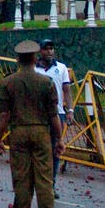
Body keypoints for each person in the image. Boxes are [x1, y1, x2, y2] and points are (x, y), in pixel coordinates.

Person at [0, 39, 63, 208]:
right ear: (35, 59)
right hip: (41, 133)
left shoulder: (8, 82)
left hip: (18, 133)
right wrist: (60, 138)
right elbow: (53, 115)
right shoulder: (46, 82)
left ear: (17, 60)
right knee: (45, 181)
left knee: (22, 179)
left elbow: (4, 115)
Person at [33, 39, 72, 196]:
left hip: (57, 114)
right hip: (38, 115)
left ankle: (51, 184)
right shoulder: (34, 69)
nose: (50, 51)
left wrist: (70, 110)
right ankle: (40, 181)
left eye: (52, 48)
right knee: (39, 149)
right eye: (46, 49)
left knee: (56, 149)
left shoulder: (61, 68)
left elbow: (67, 90)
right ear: (40, 51)